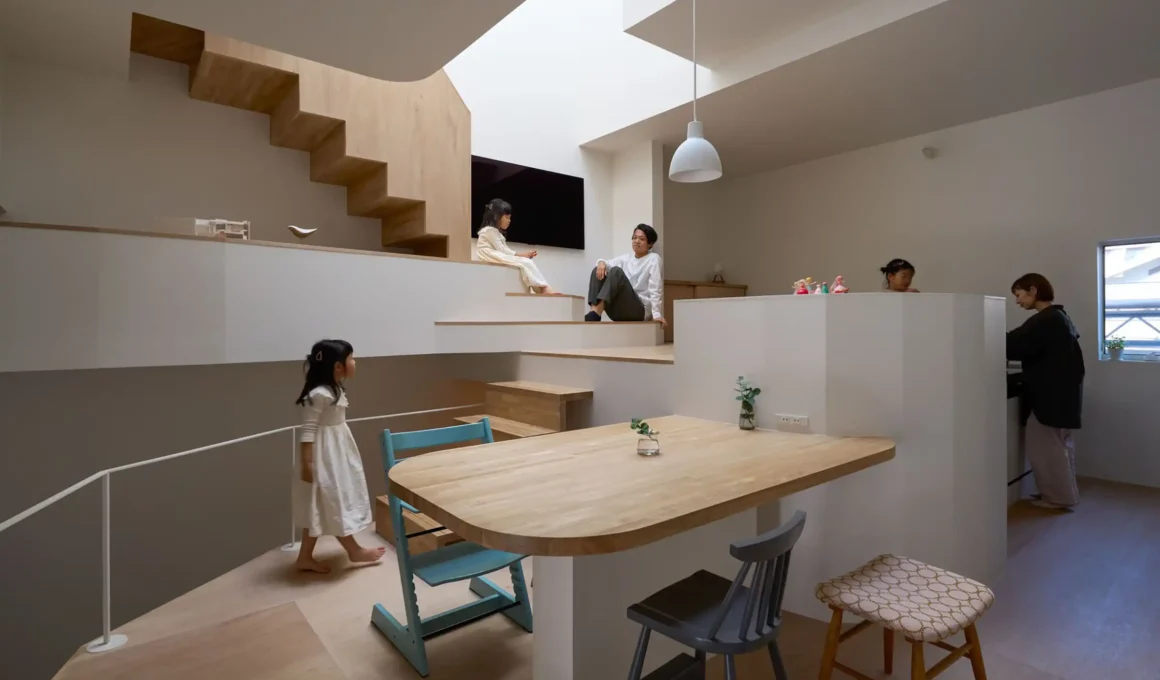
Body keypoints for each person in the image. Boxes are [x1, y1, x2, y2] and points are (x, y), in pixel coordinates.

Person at [294, 339, 386, 572]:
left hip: (337, 452)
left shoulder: (334, 390)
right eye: (351, 359)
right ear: (337, 366)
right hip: (325, 456)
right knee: (332, 502)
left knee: (320, 506)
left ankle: (305, 556)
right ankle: (353, 550)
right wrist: (308, 463)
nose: (355, 363)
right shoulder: (319, 394)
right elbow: (308, 430)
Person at [1006, 273, 1084, 510]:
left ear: (1032, 290)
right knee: (1060, 446)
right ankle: (1064, 494)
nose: (1018, 301)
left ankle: (1058, 498)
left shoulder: (1046, 320)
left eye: (1019, 295)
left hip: (1050, 396)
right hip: (1063, 394)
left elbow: (1013, 344)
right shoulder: (1060, 316)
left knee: (1046, 448)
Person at [586, 224, 666, 327]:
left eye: (641, 239)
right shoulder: (626, 258)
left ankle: (595, 313)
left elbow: (656, 288)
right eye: (634, 238)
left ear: (650, 244)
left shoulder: (654, 259)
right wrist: (601, 263)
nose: (636, 241)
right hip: (620, 310)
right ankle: (594, 312)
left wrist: (657, 314)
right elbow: (605, 262)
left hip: (639, 310)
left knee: (616, 272)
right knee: (598, 269)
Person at [475, 198, 560, 295]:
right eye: (507, 217)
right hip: (490, 255)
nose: (509, 221)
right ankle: (543, 288)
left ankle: (543, 288)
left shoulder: (495, 232)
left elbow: (504, 249)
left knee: (525, 262)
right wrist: (521, 255)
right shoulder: (489, 230)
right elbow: (502, 250)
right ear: (497, 217)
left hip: (495, 254)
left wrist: (520, 255)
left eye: (510, 218)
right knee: (525, 262)